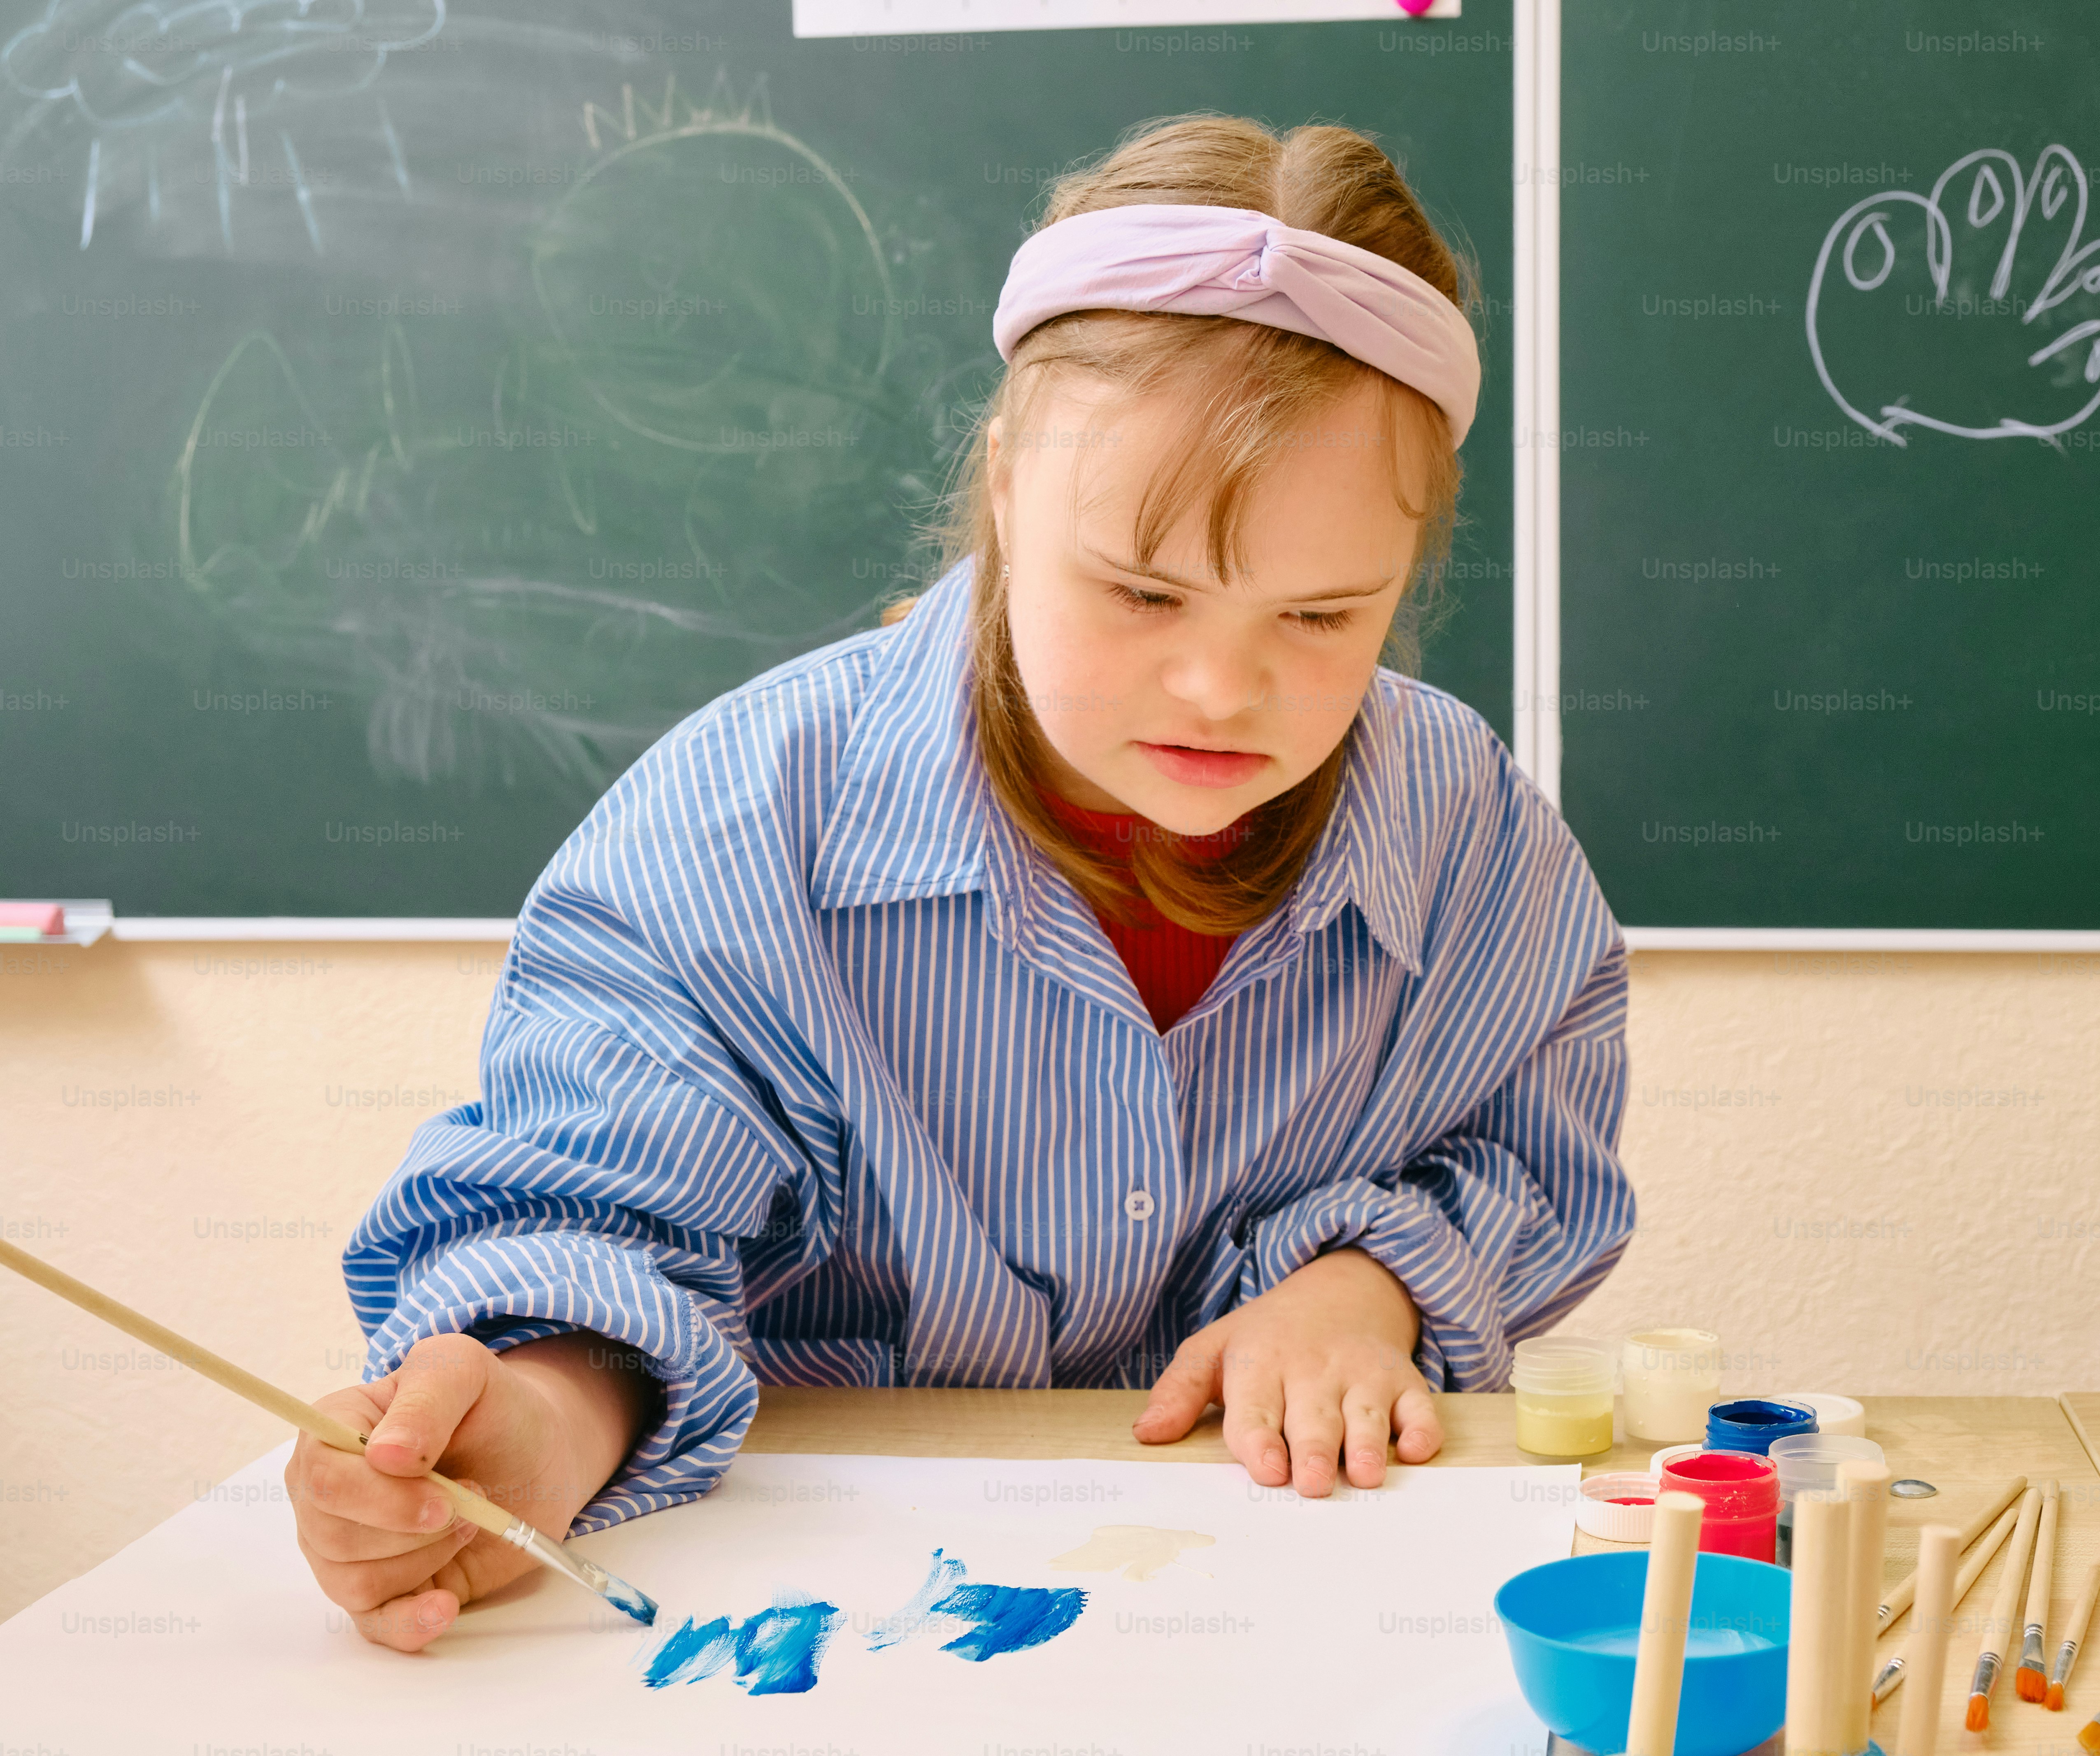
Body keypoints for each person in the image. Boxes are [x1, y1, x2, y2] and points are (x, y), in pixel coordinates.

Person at [286, 113, 1635, 1651]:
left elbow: (1533, 1152)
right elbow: (608, 1221)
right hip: (830, 1640)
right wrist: (537, 1416)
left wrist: (1369, 1283)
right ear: (1003, 492)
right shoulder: (738, 830)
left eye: (1323, 617)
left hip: (1263, 1636)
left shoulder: (1470, 842)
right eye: (1141, 589)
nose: (1218, 686)